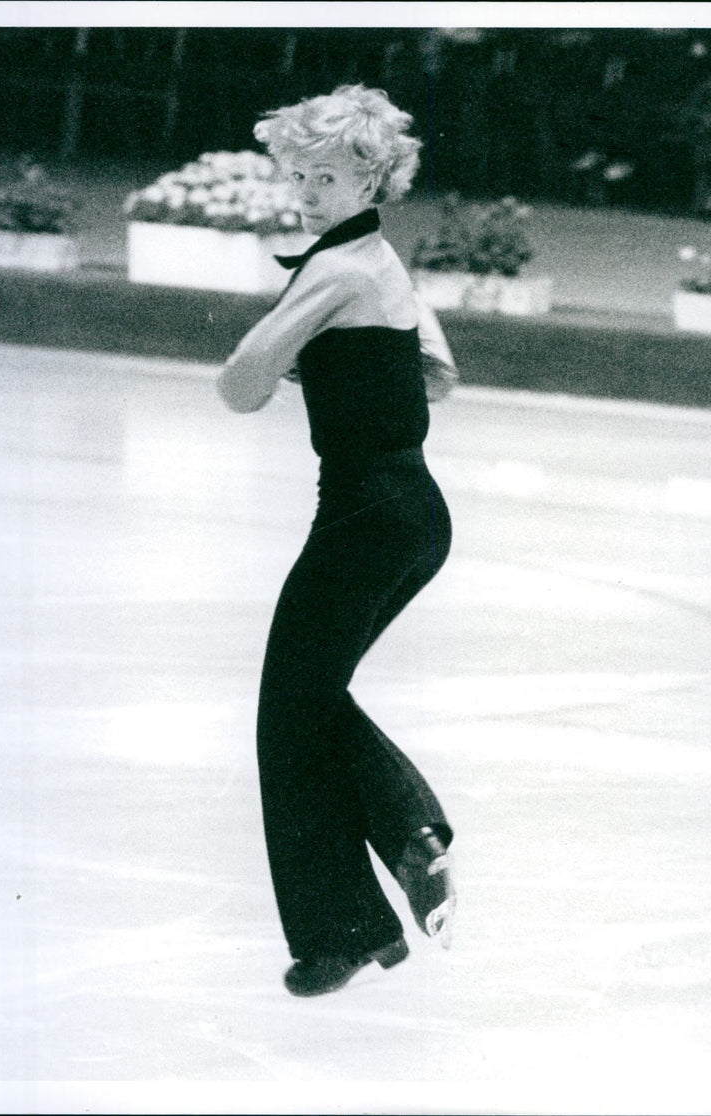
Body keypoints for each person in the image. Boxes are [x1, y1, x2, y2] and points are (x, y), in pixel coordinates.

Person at [218, 84, 458, 997]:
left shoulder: (335, 270)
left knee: (290, 710)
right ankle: (367, 900)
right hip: (407, 512)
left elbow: (238, 386)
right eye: (302, 173)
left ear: (373, 174)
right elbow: (437, 373)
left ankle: (385, 871)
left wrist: (283, 351)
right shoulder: (379, 263)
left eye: (330, 174)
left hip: (366, 517)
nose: (310, 191)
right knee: (304, 703)